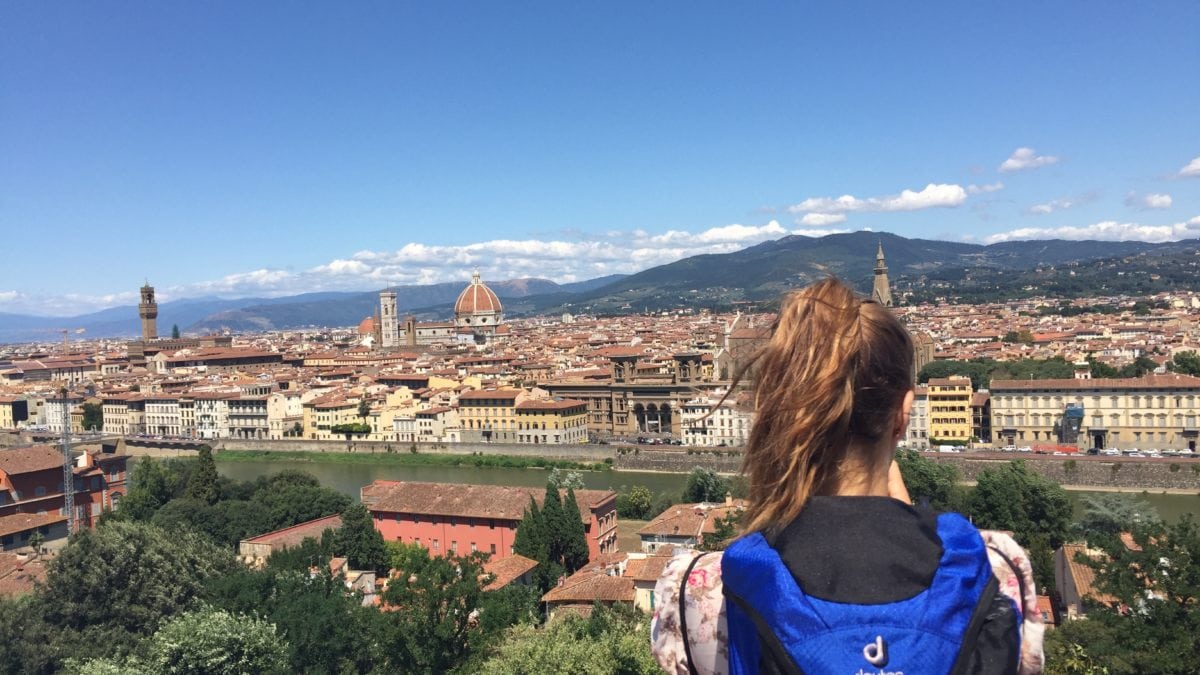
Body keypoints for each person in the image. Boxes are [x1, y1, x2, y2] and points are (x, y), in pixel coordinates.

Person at [651, 278, 1043, 674]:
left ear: (776, 412)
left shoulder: (698, 590)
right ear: (903, 413)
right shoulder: (993, 567)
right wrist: (906, 523)